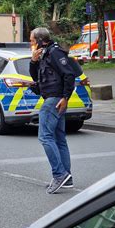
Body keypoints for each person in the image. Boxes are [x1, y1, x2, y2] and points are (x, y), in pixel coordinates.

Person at [29, 27, 75, 194]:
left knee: (45, 137)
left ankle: (59, 174)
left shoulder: (55, 53)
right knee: (58, 138)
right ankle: (67, 177)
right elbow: (37, 78)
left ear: (41, 41)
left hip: (54, 100)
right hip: (54, 99)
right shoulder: (45, 54)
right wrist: (33, 61)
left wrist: (65, 97)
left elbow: (69, 75)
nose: (31, 44)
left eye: (32, 41)